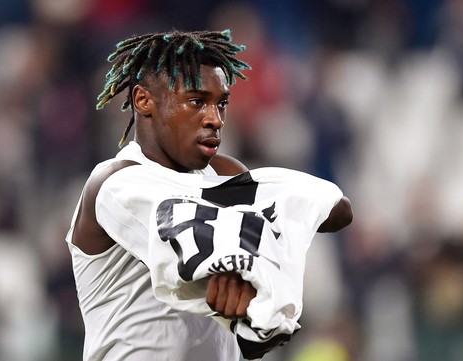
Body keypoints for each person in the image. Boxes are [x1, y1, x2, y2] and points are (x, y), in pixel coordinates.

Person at [66, 29, 353, 361]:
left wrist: (252, 272)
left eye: (222, 103)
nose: (215, 119)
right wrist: (241, 267)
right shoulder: (114, 182)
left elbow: (338, 209)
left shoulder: (226, 175)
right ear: (144, 101)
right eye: (196, 101)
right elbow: (180, 241)